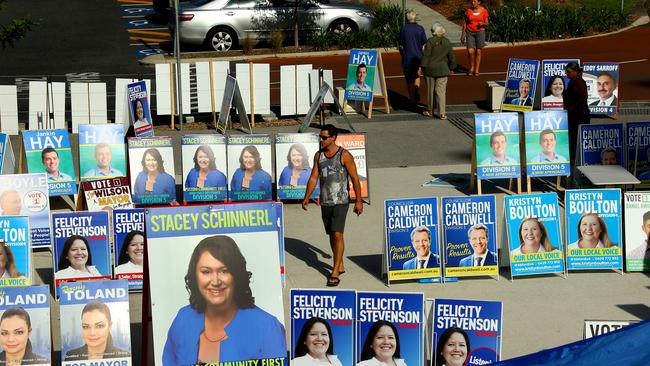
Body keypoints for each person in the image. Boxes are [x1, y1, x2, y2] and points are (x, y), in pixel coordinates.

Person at [163, 235, 286, 364]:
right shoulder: (183, 319)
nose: (215, 281)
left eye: (224, 271)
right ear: (195, 276)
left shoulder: (267, 328)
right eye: (206, 272)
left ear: (236, 274)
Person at [302, 124, 364, 287]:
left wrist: (358, 200)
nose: (321, 140)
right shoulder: (319, 156)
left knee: (337, 233)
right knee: (332, 234)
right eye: (320, 137)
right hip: (326, 201)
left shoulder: (344, 155)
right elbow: (314, 177)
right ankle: (340, 262)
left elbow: (355, 179)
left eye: (324, 137)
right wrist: (306, 196)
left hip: (341, 201)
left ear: (333, 138)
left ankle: (335, 270)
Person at [64, 302, 130, 361]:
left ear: (109, 326)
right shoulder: (71, 356)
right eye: (86, 327)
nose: (92, 333)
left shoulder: (124, 356)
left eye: (99, 326)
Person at [420, 22, 456, 119]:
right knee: (441, 92)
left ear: (434, 32)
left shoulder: (430, 41)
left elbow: (426, 56)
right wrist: (452, 68)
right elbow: (451, 57)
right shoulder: (447, 42)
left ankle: (430, 110)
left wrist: (422, 67)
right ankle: (442, 113)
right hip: (443, 69)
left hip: (430, 69)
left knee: (430, 91)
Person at [398, 10, 427, 105]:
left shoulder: (404, 29)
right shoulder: (420, 28)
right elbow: (423, 42)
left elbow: (401, 44)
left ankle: (412, 98)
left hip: (408, 58)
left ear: (407, 18)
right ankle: (416, 92)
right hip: (418, 57)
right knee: (417, 76)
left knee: (409, 79)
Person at [563, 61, 590, 162]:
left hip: (580, 116)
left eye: (569, 72)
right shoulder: (573, 81)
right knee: (573, 137)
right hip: (575, 115)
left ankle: (577, 158)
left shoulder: (579, 82)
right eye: (566, 72)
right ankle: (575, 157)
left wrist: (572, 107)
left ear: (575, 71)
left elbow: (583, 97)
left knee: (577, 137)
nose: (567, 74)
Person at [460, 0, 489, 76]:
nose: (473, 3)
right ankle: (471, 67)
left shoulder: (484, 11)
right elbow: (465, 23)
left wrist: (483, 23)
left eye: (475, 1)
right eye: (472, 1)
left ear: (479, 2)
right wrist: (463, 34)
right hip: (470, 32)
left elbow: (487, 23)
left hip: (480, 33)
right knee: (470, 51)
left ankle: (476, 69)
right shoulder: (468, 11)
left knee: (478, 52)